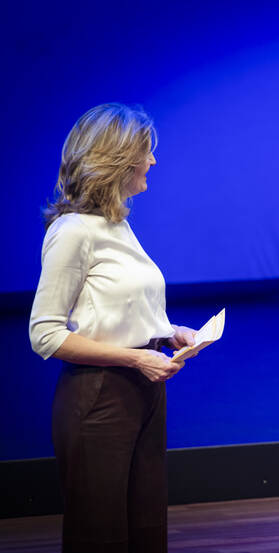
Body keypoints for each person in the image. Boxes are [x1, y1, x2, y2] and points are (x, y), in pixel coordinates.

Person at [29, 103, 197, 553]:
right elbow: (44, 333)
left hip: (143, 392)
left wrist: (167, 333)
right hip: (99, 397)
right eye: (147, 151)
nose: (154, 161)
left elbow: (114, 310)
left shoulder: (117, 224)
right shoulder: (73, 230)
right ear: (117, 158)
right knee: (99, 535)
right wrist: (135, 357)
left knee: (145, 529)